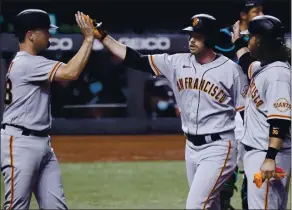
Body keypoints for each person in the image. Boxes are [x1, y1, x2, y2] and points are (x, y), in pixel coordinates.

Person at [87, 13, 249, 209]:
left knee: (196, 205)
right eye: (190, 35)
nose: (191, 39)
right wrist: (103, 37)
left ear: (210, 38)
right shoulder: (176, 62)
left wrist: (257, 154)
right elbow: (135, 59)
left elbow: (245, 113)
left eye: (197, 36)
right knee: (210, 205)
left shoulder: (232, 70)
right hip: (191, 147)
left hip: (220, 147)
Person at [1, 9, 95, 209]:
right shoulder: (27, 64)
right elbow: (71, 72)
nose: (50, 35)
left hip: (42, 143)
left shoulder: (29, 62)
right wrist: (88, 39)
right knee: (16, 206)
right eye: (45, 31)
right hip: (20, 144)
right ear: (31, 35)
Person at [215, 1, 264, 209]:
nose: (261, 14)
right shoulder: (224, 35)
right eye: (256, 11)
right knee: (228, 159)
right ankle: (223, 202)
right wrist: (240, 39)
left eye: (262, 11)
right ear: (244, 15)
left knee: (253, 162)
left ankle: (249, 204)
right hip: (229, 105)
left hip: (254, 104)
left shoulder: (263, 36)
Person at [239, 15, 291, 210]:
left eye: (250, 37)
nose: (248, 41)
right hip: (261, 152)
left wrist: (270, 158)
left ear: (259, 40)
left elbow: (280, 120)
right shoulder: (265, 66)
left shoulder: (278, 75)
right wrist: (237, 41)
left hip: (268, 155)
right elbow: (245, 62)